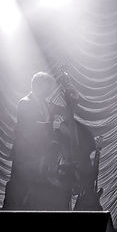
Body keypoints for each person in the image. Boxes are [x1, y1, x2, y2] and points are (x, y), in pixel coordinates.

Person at [3, 71, 86, 210]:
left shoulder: (46, 104)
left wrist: (72, 95)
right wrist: (52, 126)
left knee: (38, 195)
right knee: (22, 195)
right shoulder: (25, 103)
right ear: (39, 86)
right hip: (26, 158)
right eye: (47, 88)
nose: (49, 92)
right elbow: (28, 127)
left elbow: (67, 110)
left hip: (40, 156)